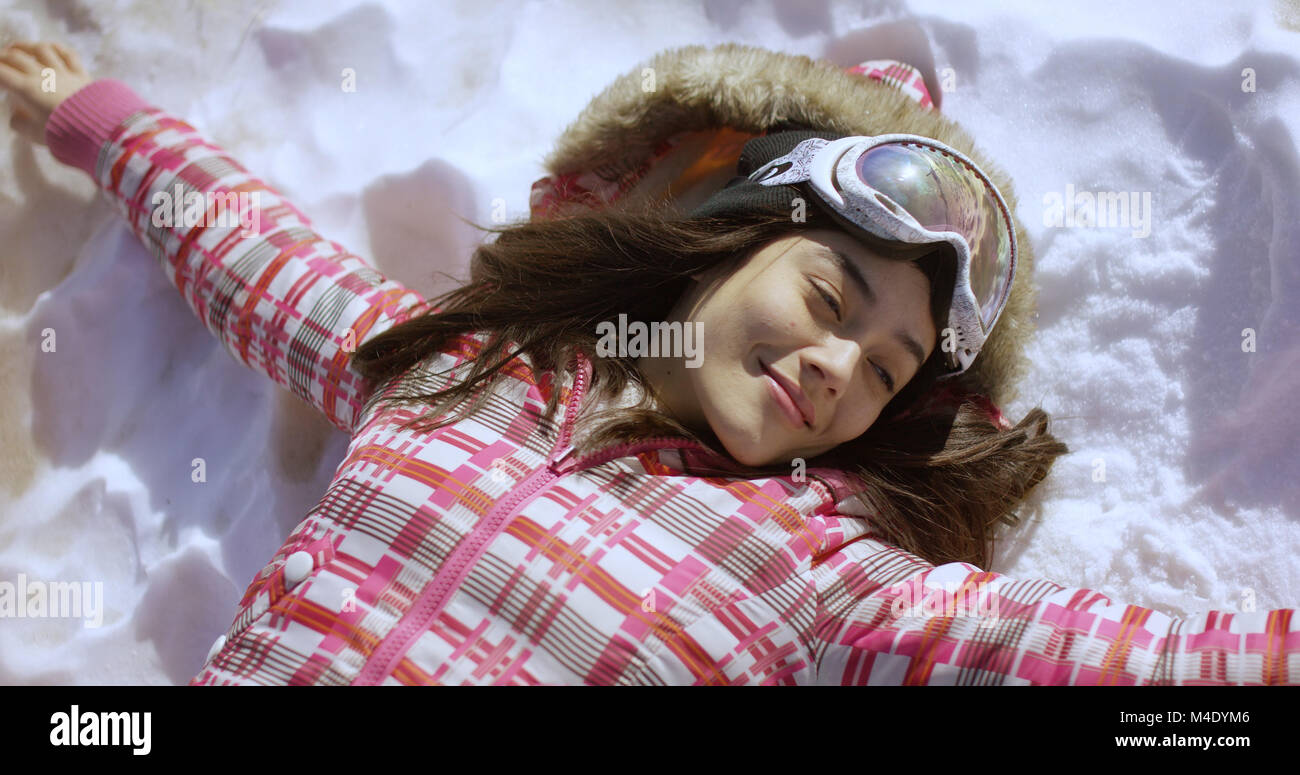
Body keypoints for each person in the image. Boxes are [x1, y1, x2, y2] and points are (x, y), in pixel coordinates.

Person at [2, 37, 1295, 686]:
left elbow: (1074, 660)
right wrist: (107, 126)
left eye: (893, 373)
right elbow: (261, 261)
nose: (846, 366)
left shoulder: (825, 583)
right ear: (716, 247)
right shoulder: (462, 367)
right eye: (832, 295)